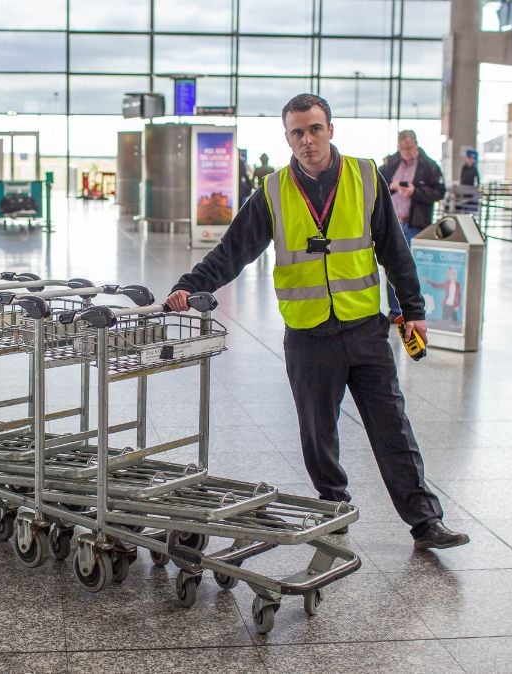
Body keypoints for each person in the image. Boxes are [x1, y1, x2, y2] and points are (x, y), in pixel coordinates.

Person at [166, 93, 469, 551]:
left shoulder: (366, 176)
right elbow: (234, 250)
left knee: (392, 427)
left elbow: (394, 252)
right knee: (317, 432)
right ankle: (334, 509)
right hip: (309, 333)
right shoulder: (272, 190)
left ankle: (425, 521)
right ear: (287, 137)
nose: (307, 140)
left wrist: (415, 311)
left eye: (315, 129)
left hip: (366, 327)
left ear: (330, 129)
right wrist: (190, 286)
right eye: (297, 132)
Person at [380, 130, 446, 319]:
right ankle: (395, 311)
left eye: (409, 148)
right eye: (402, 149)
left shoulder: (429, 166)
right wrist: (391, 186)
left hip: (415, 225)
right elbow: (375, 184)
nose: (406, 152)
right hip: (392, 224)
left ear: (416, 144)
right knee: (391, 266)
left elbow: (439, 192)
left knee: (409, 268)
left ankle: (414, 311)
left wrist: (415, 192)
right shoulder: (390, 164)